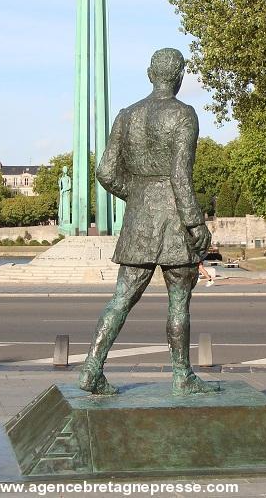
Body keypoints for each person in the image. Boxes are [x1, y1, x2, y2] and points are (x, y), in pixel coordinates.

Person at [78, 48, 216, 396]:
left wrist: (138, 193)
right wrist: (196, 223)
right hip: (174, 223)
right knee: (179, 301)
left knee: (121, 298)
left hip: (139, 219)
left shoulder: (126, 116)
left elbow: (105, 172)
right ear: (180, 76)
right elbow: (179, 175)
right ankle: (182, 375)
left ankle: (92, 367)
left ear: (149, 74)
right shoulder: (184, 115)